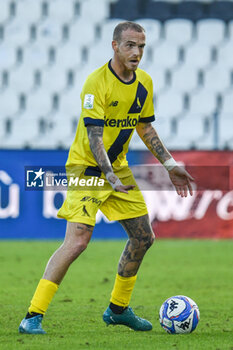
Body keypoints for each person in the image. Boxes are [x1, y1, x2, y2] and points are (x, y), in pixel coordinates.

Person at [19, 21, 194, 334]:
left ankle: (117, 309)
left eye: (141, 46)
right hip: (87, 168)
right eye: (130, 45)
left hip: (119, 169)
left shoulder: (145, 83)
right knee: (77, 242)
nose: (136, 52)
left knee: (143, 237)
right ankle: (32, 315)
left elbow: (145, 127)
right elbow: (95, 135)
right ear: (115, 46)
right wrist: (108, 175)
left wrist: (169, 163)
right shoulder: (95, 83)